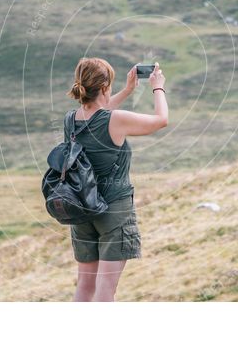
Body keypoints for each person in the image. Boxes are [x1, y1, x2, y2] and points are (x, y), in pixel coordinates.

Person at [66, 57, 168, 301]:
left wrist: (127, 90)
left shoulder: (71, 119)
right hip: (114, 210)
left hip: (81, 208)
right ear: (104, 88)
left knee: (85, 285)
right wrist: (158, 87)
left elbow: (97, 112)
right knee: (106, 287)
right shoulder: (116, 120)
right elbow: (161, 120)